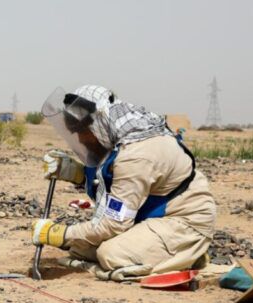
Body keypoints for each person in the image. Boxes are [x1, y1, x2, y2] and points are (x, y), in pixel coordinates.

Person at [32, 85, 216, 281]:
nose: (80, 139)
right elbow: (114, 181)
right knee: (80, 249)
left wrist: (59, 233)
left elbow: (112, 224)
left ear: (96, 124)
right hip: (151, 215)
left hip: (183, 221)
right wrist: (76, 172)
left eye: (81, 132)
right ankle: (170, 255)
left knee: (111, 255)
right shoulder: (117, 136)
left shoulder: (135, 155)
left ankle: (187, 255)